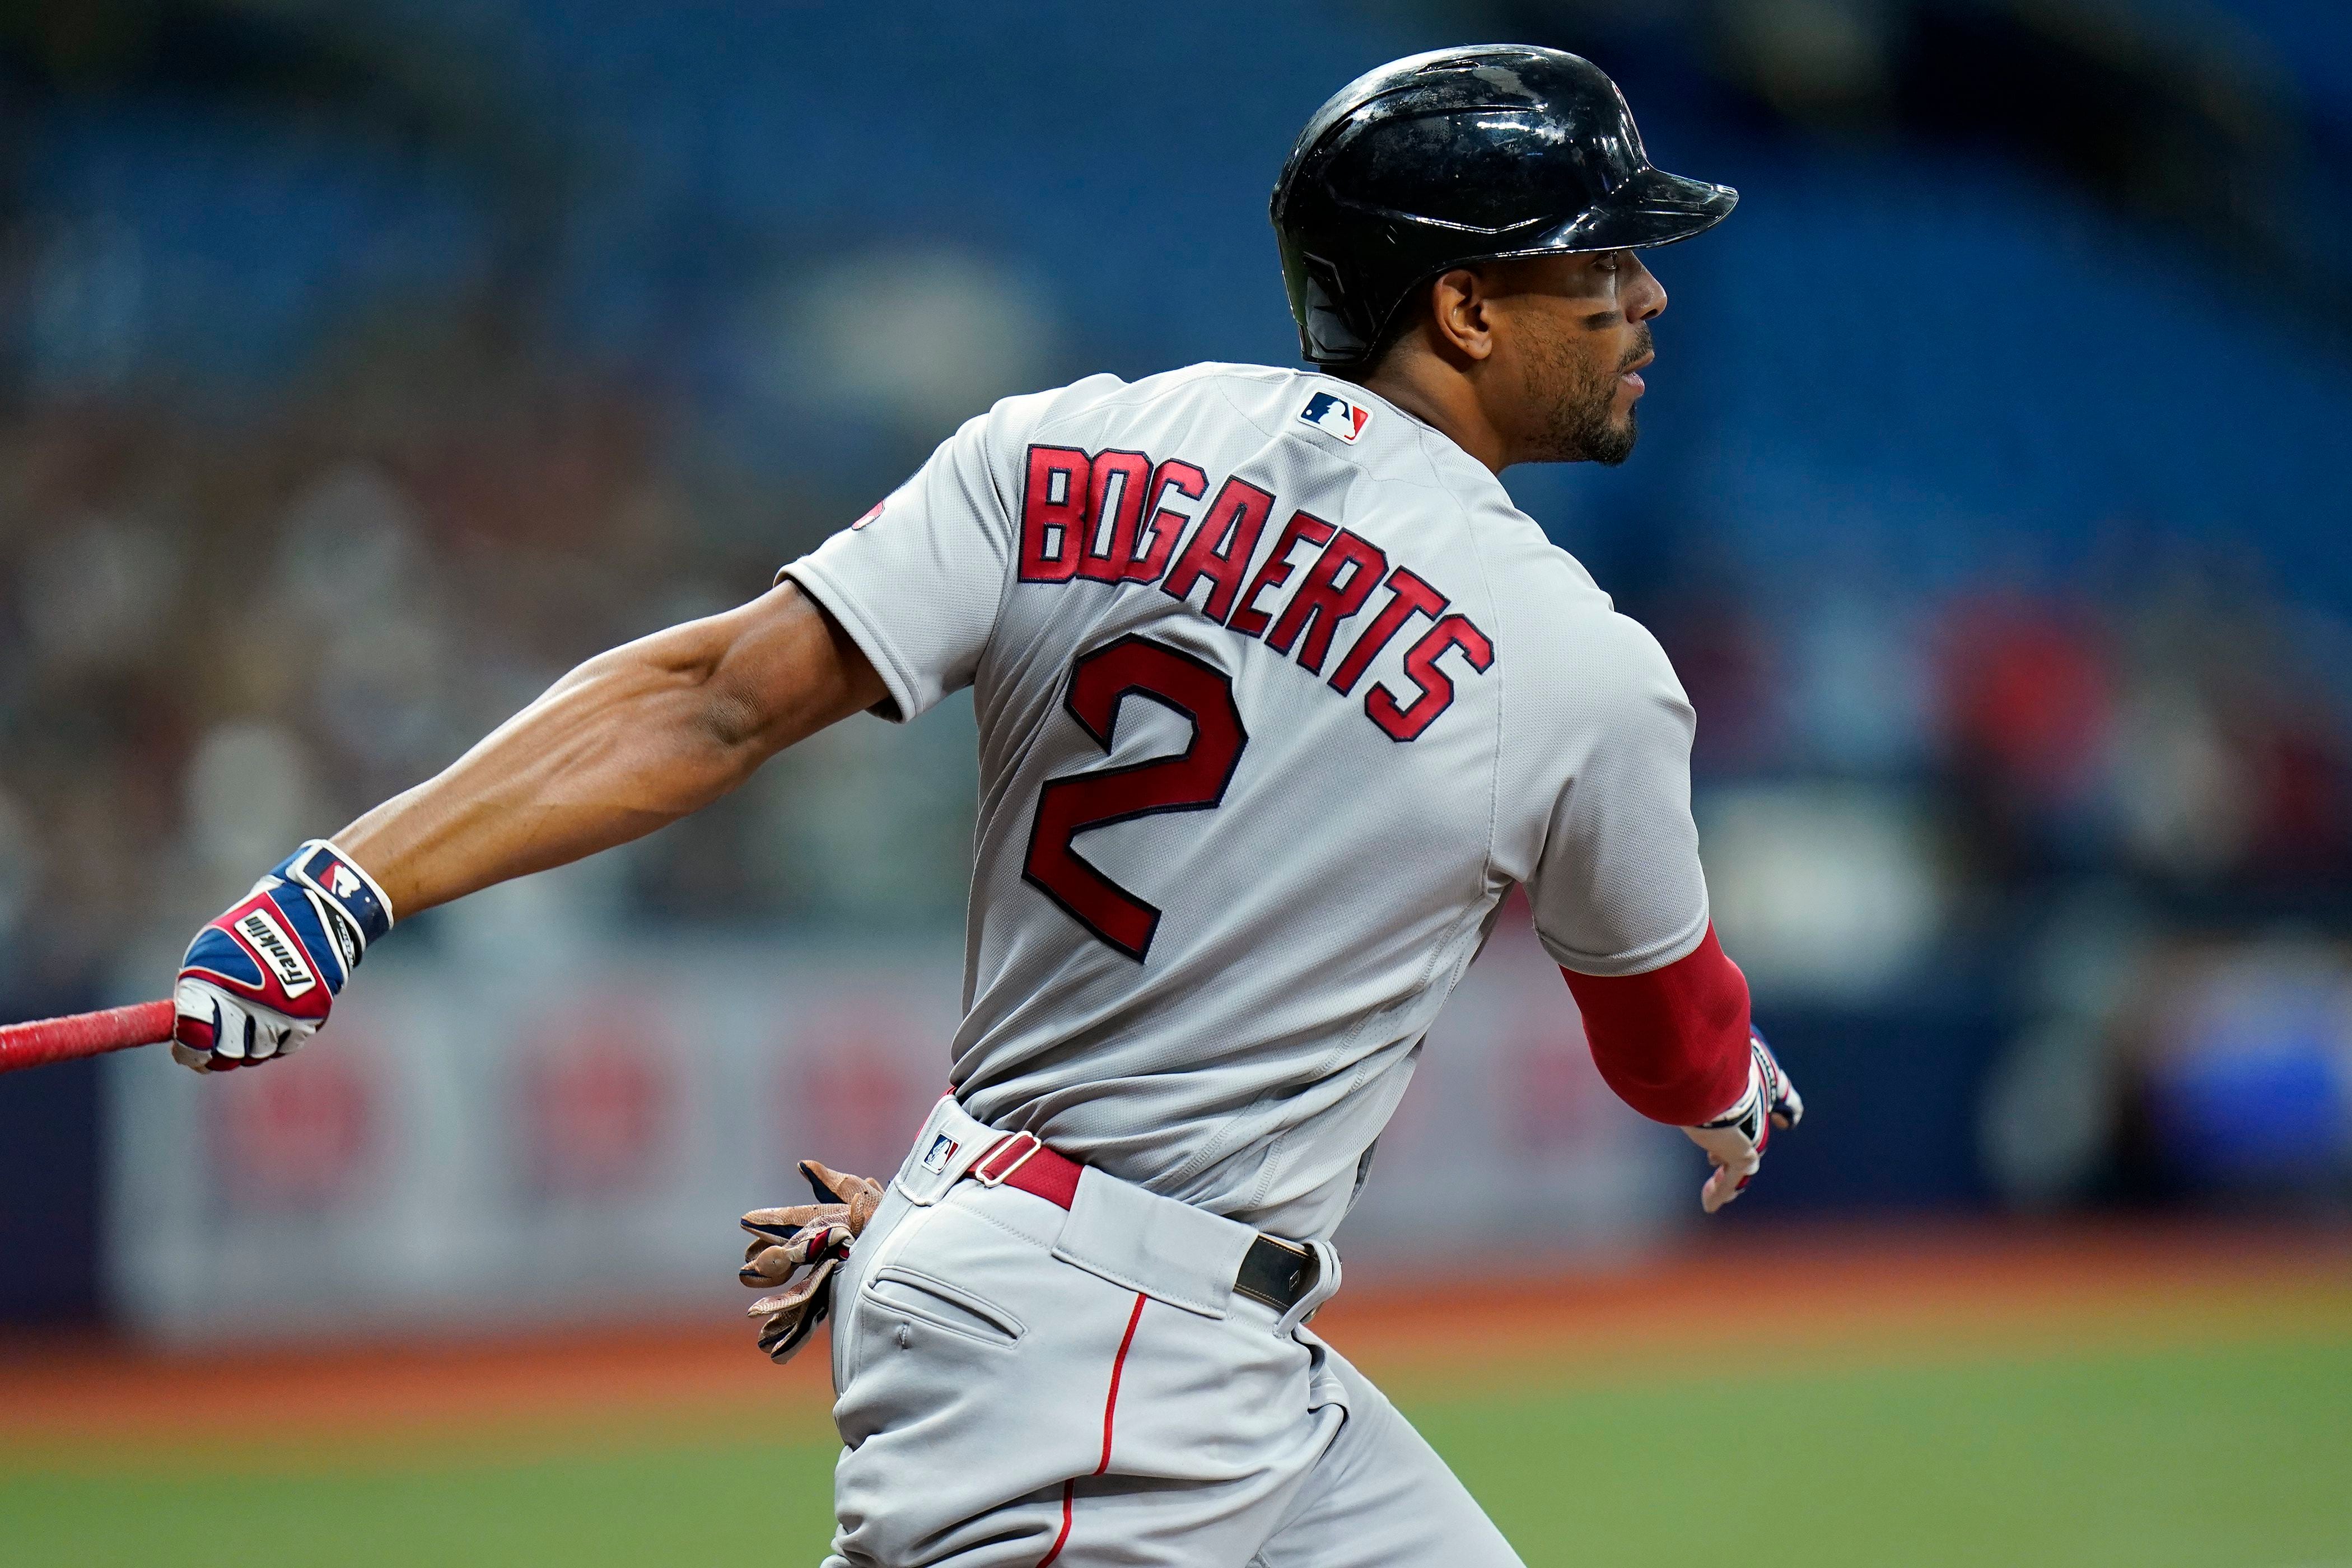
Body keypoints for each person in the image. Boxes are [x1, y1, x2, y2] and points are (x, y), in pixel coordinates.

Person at [167, 45, 1802, 1568]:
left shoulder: (1065, 444)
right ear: (1462, 307)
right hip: (1102, 1372)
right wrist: (1732, 1086)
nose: (1646, 295)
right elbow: (1666, 1040)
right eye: (1597, 262)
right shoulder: (1571, 659)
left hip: (1114, 1301)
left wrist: (346, 881)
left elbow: (717, 695)